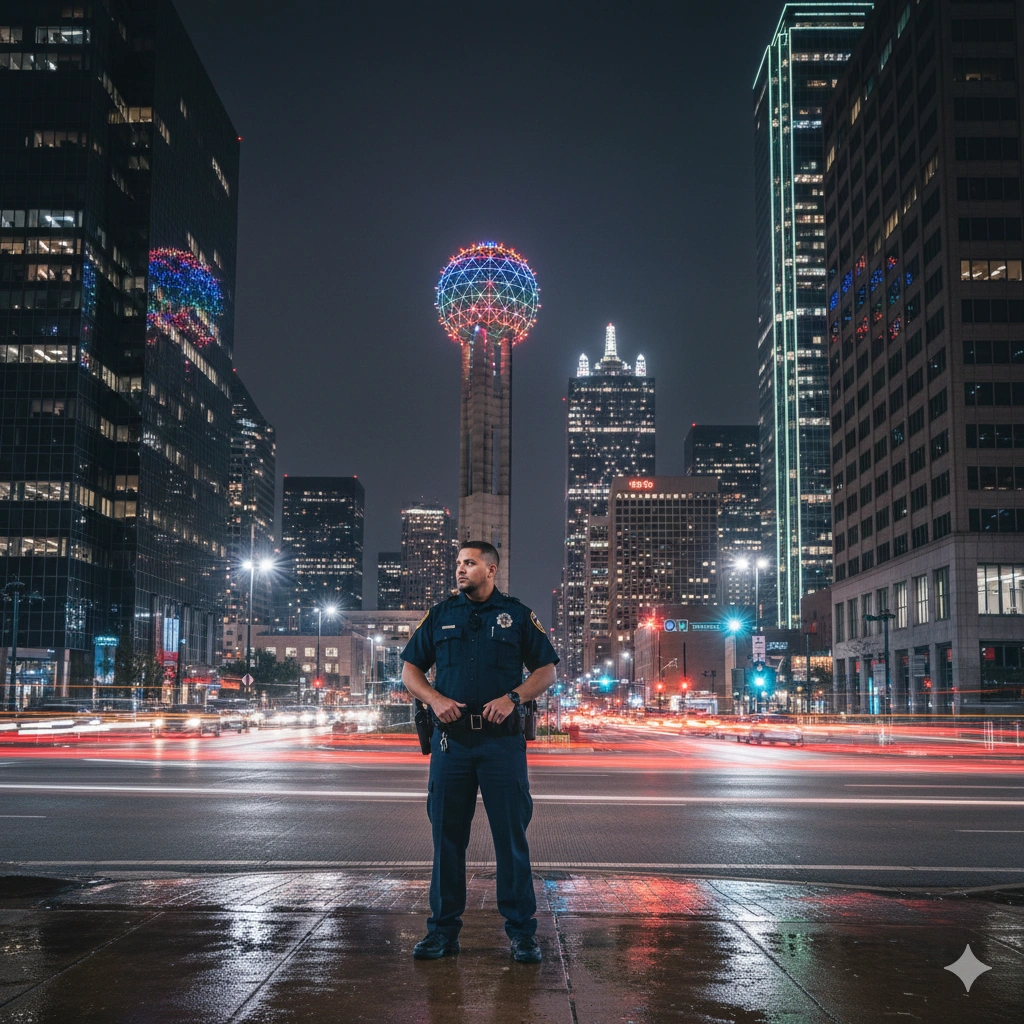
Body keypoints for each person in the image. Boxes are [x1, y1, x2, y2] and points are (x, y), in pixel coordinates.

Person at [401, 541, 558, 963]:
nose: (459, 570)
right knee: (446, 839)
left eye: (469, 563)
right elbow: (410, 670)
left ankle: (522, 932)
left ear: (491, 569)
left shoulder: (518, 616)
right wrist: (433, 699)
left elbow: (546, 669)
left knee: (511, 839)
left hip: (501, 742)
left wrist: (514, 697)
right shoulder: (440, 615)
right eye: (457, 563)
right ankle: (442, 932)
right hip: (451, 743)